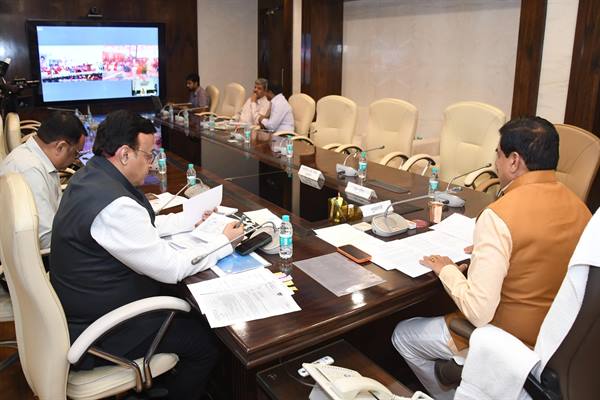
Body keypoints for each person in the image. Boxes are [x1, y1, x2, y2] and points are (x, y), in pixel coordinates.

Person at [391, 116, 591, 400]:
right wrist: (492, 250)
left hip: (510, 343)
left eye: (498, 155)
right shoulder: (581, 209)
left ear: (514, 161)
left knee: (403, 335)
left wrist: (447, 270)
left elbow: (479, 312)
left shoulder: (500, 215)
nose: (496, 163)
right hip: (558, 344)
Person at [50, 110, 243, 399]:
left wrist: (190, 221)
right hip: (101, 331)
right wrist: (224, 242)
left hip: (86, 307)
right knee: (206, 342)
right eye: (149, 155)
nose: (151, 164)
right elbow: (173, 268)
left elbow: (140, 227)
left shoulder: (91, 175)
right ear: (125, 154)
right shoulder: (114, 206)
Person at [0, 111, 86, 250]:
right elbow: (45, 238)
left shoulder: (36, 158)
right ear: (60, 147)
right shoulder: (30, 170)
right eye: (76, 153)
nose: (75, 160)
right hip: (44, 255)